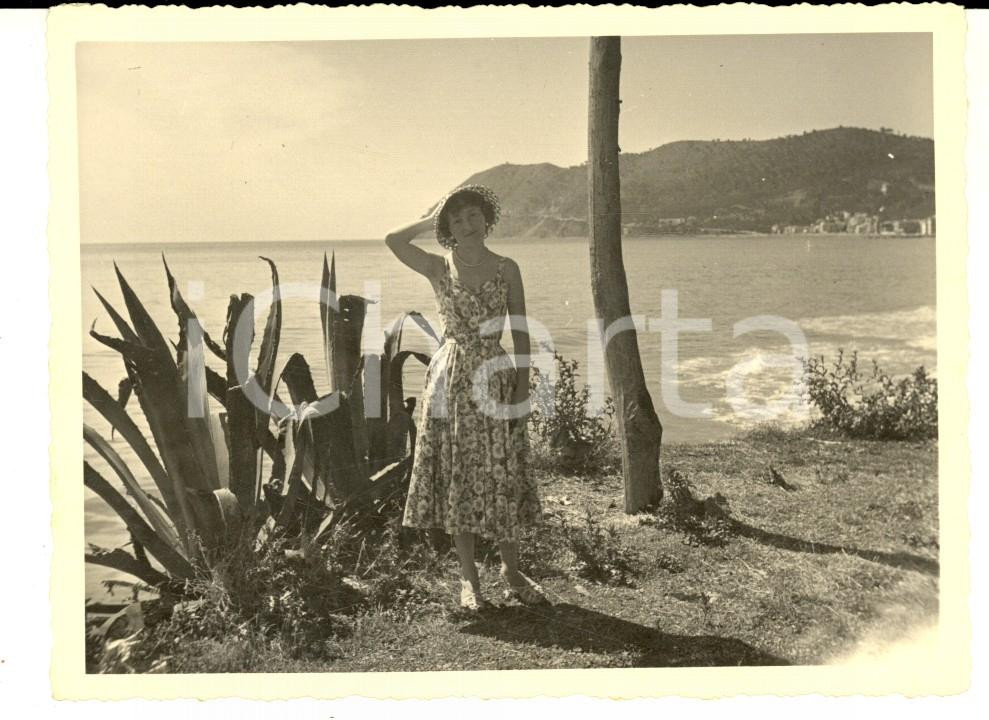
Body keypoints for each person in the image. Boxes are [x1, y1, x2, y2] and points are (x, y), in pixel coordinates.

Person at [384, 184, 548, 611]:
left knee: (502, 472)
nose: (466, 224)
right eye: (455, 220)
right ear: (447, 228)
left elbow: (522, 329)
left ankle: (511, 572)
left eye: (472, 215)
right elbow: (393, 240)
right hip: (451, 378)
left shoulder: (508, 268)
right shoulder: (439, 268)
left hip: (495, 374)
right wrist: (432, 215)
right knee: (459, 474)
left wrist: (523, 385)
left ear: (486, 219)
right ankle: (469, 581)